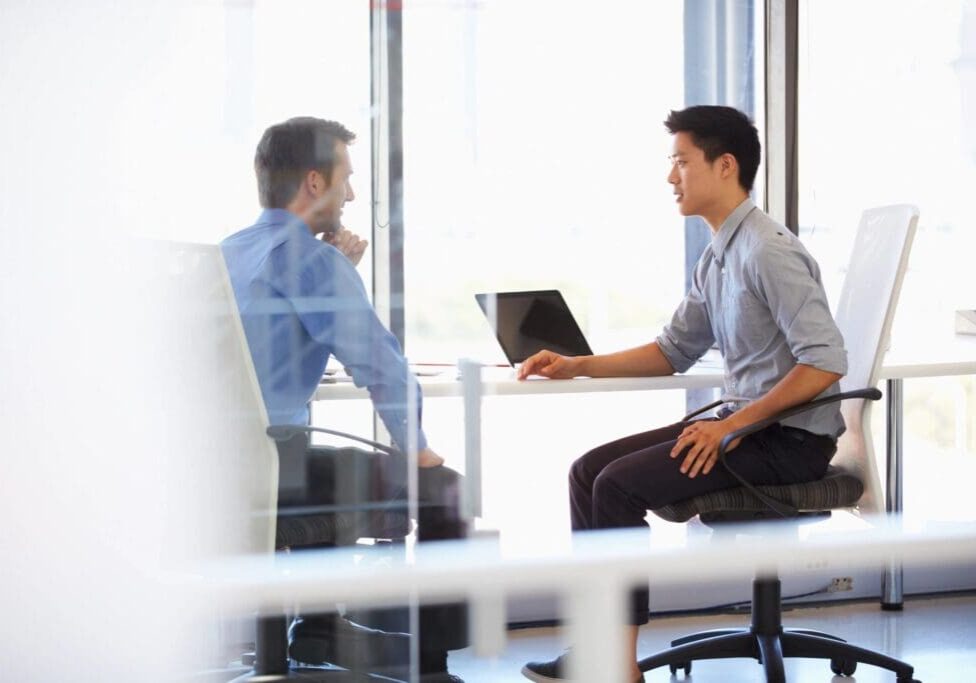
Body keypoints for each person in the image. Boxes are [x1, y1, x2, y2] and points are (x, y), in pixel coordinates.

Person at [519, 105, 848, 683]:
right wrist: (577, 365)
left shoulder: (768, 250)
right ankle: (599, 646)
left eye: (681, 162)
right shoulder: (718, 254)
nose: (671, 177)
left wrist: (728, 427)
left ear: (725, 166)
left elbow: (824, 363)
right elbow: (672, 350)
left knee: (617, 486)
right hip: (745, 425)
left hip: (787, 439)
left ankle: (618, 668)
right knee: (585, 471)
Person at [221, 116, 466, 683]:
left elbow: (261, 361)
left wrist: (335, 277)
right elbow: (381, 366)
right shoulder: (310, 260)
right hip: (273, 477)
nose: (352, 193)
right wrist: (420, 452)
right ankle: (434, 665)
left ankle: (319, 625)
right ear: (314, 182)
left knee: (313, 460)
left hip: (214, 475)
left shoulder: (229, 254)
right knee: (442, 489)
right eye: (346, 178)